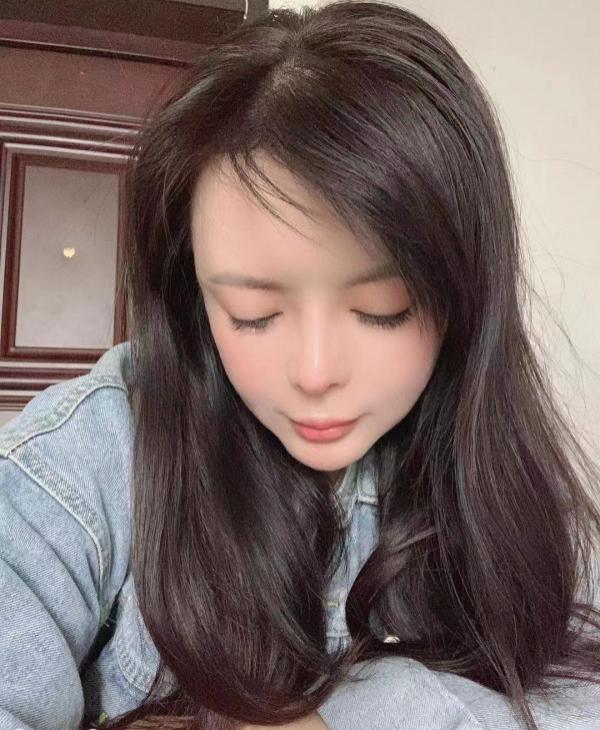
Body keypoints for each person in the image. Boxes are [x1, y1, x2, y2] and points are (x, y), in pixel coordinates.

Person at [0, 1, 599, 728]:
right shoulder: (79, 467)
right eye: (252, 313)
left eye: (383, 308)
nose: (315, 373)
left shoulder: (516, 490)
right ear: (193, 294)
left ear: (463, 296)